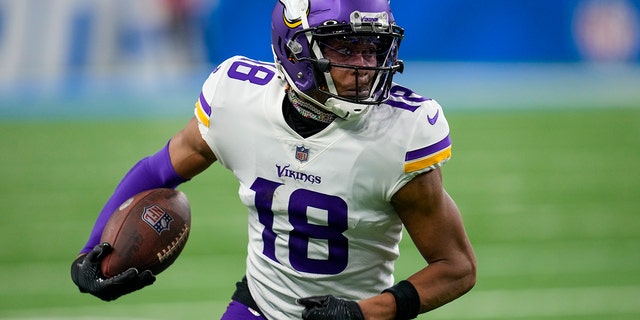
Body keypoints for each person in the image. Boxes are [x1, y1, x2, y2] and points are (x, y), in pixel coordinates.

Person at [70, 0, 477, 319]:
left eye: (373, 48)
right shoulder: (237, 101)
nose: (365, 66)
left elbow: (456, 267)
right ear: (296, 47)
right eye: (345, 47)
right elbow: (157, 171)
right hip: (258, 306)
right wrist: (93, 251)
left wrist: (367, 312)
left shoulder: (401, 134)